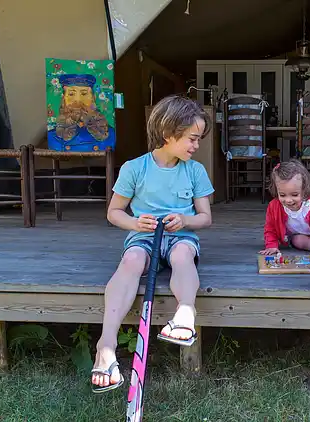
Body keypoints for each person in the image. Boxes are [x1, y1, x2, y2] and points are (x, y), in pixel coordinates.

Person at [90, 95, 214, 393]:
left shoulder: (194, 171)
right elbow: (114, 212)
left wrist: (185, 221)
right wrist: (135, 223)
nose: (196, 146)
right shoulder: (135, 168)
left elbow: (205, 217)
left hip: (180, 236)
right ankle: (105, 344)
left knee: (183, 254)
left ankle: (185, 312)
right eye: (192, 139)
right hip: (143, 236)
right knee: (131, 260)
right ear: (168, 134)